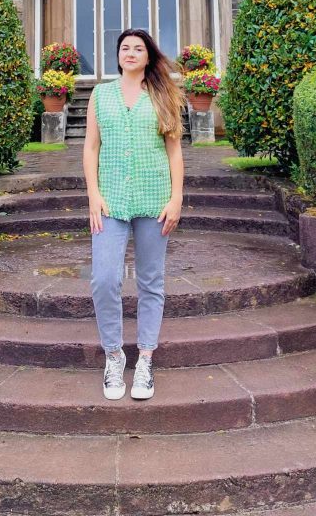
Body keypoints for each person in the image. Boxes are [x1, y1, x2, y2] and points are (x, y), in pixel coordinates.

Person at [83, 29, 185, 401]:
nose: (130, 52)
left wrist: (176, 199)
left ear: (148, 56)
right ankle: (113, 355)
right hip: (109, 201)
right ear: (118, 55)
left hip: (155, 201)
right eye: (125, 48)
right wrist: (93, 195)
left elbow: (174, 152)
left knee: (151, 281)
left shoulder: (163, 95)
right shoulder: (100, 95)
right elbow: (91, 148)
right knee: (104, 279)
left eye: (137, 48)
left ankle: (144, 360)